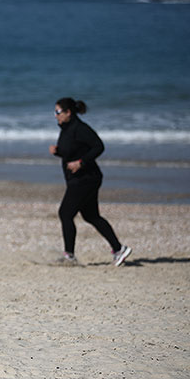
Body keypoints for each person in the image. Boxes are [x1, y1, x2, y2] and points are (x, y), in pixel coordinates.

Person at [49, 97, 132, 266]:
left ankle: (69, 256)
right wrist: (58, 152)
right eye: (55, 112)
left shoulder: (80, 128)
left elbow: (99, 146)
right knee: (91, 216)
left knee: (65, 213)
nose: (55, 115)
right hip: (80, 179)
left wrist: (81, 163)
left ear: (68, 112)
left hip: (85, 179)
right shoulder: (66, 129)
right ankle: (119, 249)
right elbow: (71, 151)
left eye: (58, 112)